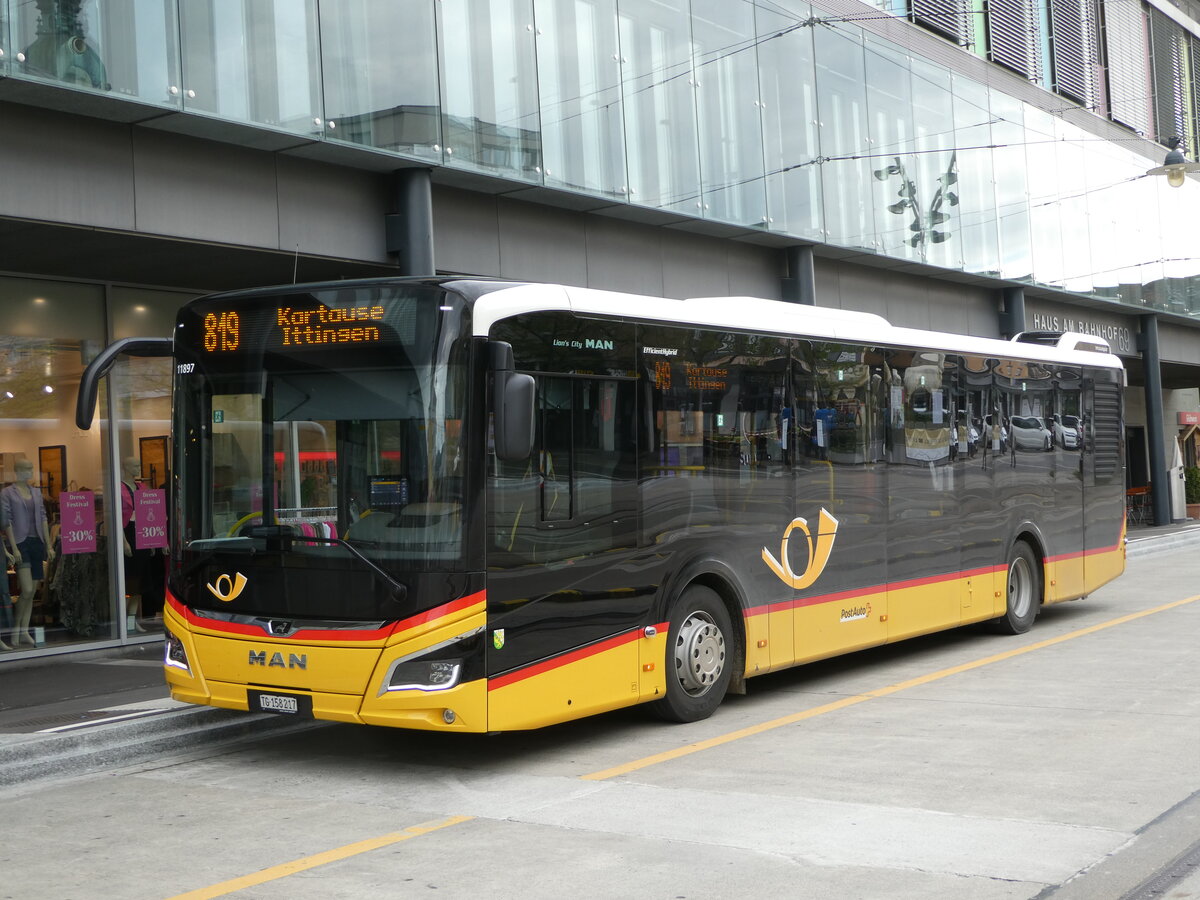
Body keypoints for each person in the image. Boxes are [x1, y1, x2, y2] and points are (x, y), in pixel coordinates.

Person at [2, 458, 54, 648]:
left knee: (32, 592)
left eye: (31, 468)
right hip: (20, 542)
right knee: (27, 589)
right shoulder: (7, 493)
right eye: (26, 468)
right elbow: (6, 521)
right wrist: (13, 547)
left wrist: (48, 545)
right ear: (17, 471)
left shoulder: (36, 492)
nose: (30, 471)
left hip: (36, 542)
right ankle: (16, 630)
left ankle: (24, 631)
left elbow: (43, 518)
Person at [120, 457, 151, 632]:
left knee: (139, 581)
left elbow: (149, 513)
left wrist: (153, 540)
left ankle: (132, 620)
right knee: (129, 579)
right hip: (128, 533)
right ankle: (123, 619)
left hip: (142, 534)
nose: (138, 468)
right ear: (125, 467)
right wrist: (123, 541)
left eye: (140, 464)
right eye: (135, 465)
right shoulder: (119, 488)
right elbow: (116, 517)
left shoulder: (142, 487)